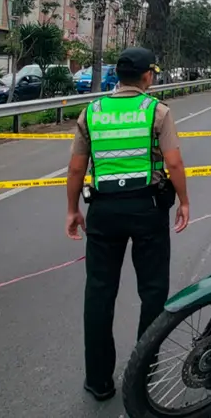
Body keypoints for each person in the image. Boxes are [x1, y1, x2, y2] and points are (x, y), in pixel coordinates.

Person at [65, 47, 191, 401]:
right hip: (147, 210)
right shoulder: (157, 112)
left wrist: (72, 209)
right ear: (148, 76)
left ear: (118, 77)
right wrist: (184, 201)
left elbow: (76, 168)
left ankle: (99, 381)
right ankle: (144, 372)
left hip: (103, 211)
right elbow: (175, 164)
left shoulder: (92, 112)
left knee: (99, 292)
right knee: (152, 292)